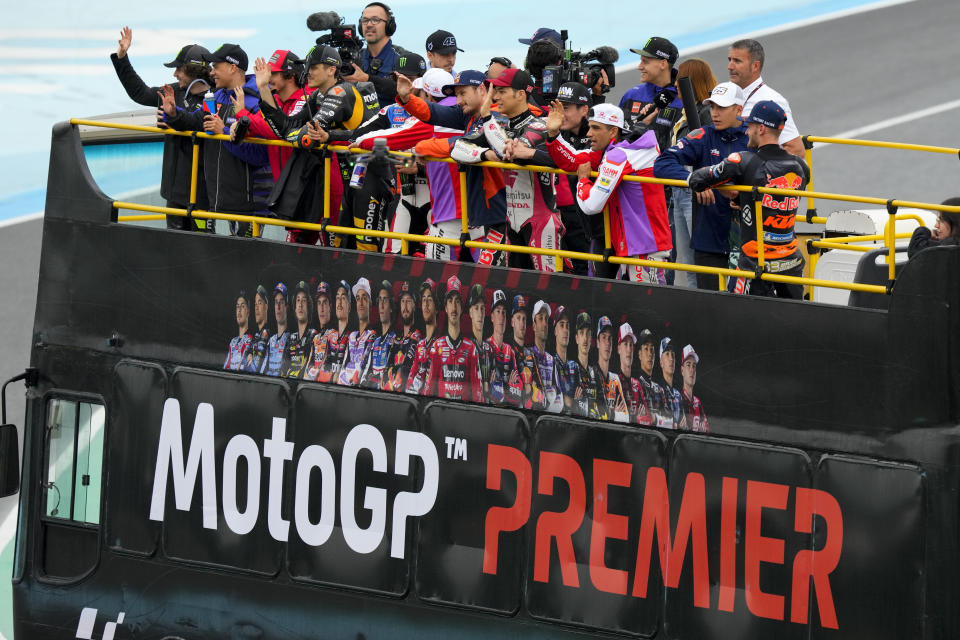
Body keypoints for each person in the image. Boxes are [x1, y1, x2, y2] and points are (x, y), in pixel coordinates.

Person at [688, 100, 810, 298]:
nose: (746, 131)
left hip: (755, 263)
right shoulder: (800, 166)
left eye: (750, 127)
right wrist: (745, 198)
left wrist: (725, 187)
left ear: (761, 128)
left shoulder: (744, 161)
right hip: (791, 261)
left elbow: (697, 180)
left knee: (739, 318)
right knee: (793, 320)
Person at [546, 103, 671, 283]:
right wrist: (553, 134)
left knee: (648, 308)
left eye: (595, 128)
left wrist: (582, 180)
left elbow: (591, 205)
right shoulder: (621, 148)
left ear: (613, 132)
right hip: (635, 246)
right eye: (589, 127)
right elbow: (573, 160)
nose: (588, 133)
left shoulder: (619, 155)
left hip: (644, 248)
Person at [396, 71, 509, 264]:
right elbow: (433, 113)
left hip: (493, 218)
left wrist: (422, 146)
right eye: (456, 95)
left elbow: (461, 144)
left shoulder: (496, 118)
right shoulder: (469, 116)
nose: (458, 100)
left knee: (492, 285)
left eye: (463, 93)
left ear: (481, 90)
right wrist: (407, 99)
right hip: (474, 215)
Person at [457, 68, 564, 272]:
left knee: (551, 292)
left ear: (521, 94)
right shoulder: (501, 127)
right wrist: (484, 155)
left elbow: (507, 151)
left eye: (502, 91)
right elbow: (456, 147)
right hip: (511, 223)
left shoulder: (540, 125)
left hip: (541, 224)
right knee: (518, 298)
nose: (495, 96)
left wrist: (487, 117)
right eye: (494, 91)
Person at [160, 43, 272, 237]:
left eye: (216, 67)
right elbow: (197, 121)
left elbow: (261, 154)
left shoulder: (257, 100)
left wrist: (224, 132)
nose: (211, 73)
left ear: (232, 67)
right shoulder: (217, 96)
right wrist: (174, 113)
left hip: (249, 201)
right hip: (221, 198)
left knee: (245, 260)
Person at [111, 28, 212, 231]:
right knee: (175, 247)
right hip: (173, 192)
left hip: (202, 193)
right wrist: (122, 58)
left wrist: (173, 119)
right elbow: (140, 93)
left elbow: (198, 122)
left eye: (178, 69)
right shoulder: (172, 92)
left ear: (192, 72)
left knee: (202, 248)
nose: (174, 74)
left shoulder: (215, 97)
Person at [654, 82, 750, 289]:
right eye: (712, 106)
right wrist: (696, 181)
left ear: (739, 109)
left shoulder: (753, 137)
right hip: (708, 239)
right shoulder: (703, 136)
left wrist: (741, 196)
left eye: (721, 108)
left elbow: (771, 175)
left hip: (747, 242)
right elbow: (662, 163)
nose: (714, 113)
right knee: (712, 306)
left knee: (744, 307)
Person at [668, 58, 717, 287]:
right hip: (681, 191)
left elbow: (713, 152)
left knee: (699, 264)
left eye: (680, 81)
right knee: (688, 265)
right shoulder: (686, 114)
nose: (676, 85)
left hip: (696, 192)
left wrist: (705, 181)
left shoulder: (707, 113)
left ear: (692, 82)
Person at [234, 50, 308, 187]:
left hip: (304, 184)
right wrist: (239, 127)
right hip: (281, 184)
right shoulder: (274, 99)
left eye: (272, 74)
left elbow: (280, 131)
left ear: (290, 76)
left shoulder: (306, 97)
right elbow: (257, 126)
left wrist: (244, 115)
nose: (267, 78)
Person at [727, 39, 804, 157]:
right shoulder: (724, 95)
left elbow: (795, 149)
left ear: (755, 66)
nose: (730, 66)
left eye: (737, 61)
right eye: (730, 60)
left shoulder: (772, 100)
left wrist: (757, 170)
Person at [552, 82, 597, 276]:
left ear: (584, 109)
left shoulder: (599, 131)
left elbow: (573, 160)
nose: (561, 114)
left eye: (567, 108)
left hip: (595, 217)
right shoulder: (561, 129)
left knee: (590, 270)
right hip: (569, 212)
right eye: (559, 108)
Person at [423, 277, 484, 402]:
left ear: (462, 307)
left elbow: (478, 394)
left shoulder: (471, 348)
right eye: (450, 301)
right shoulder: (437, 347)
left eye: (457, 301)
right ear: (445, 308)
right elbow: (428, 390)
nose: (454, 307)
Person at [620, 37, 683, 153]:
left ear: (663, 64)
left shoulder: (683, 100)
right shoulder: (631, 95)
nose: (639, 66)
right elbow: (616, 137)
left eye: (645, 62)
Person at [342, 2, 410, 105]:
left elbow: (409, 93)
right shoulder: (353, 59)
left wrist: (367, 79)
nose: (369, 24)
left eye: (375, 20)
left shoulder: (403, 58)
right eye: (365, 20)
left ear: (389, 25)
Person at [383, 281, 423, 392]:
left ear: (414, 305)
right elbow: (387, 366)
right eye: (402, 301)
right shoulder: (396, 338)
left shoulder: (417, 335)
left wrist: (393, 370)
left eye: (409, 301)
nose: (405, 306)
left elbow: (406, 366)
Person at [484, 289, 522, 406]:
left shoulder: (509, 350)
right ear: (492, 317)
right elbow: (485, 389)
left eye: (504, 312)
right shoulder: (485, 347)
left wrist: (499, 388)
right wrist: (508, 387)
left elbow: (518, 390)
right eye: (498, 311)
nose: (501, 317)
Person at [338, 278, 377, 386]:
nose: (360, 303)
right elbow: (344, 364)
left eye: (364, 298)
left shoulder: (372, 335)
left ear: (370, 303)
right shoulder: (352, 336)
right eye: (358, 298)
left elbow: (364, 366)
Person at [360, 280, 397, 390]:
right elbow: (365, 370)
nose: (381, 305)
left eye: (385, 300)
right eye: (379, 300)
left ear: (391, 307)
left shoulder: (395, 339)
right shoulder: (375, 340)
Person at [405, 278, 441, 395]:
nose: (425, 304)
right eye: (423, 299)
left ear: (437, 308)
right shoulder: (420, 344)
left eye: (429, 299)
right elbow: (411, 376)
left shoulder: (441, 344)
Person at [510, 295, 545, 409]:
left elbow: (541, 392)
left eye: (524, 319)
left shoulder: (531, 354)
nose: (522, 323)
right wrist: (529, 388)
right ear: (512, 322)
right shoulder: (507, 351)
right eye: (518, 318)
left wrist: (531, 389)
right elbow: (507, 391)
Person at [568, 312, 604, 420]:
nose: (585, 338)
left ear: (591, 339)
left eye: (588, 333)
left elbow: (604, 410)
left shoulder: (596, 374)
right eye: (581, 333)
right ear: (576, 338)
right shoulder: (569, 369)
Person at [615, 322, 652, 425]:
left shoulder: (637, 384)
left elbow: (648, 420)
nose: (629, 350)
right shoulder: (613, 381)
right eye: (625, 344)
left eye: (631, 345)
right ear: (618, 349)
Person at [530, 300, 563, 413]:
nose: (544, 323)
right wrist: (551, 392)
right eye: (540, 318)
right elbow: (530, 400)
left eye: (546, 319)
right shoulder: (528, 356)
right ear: (534, 326)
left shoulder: (551, 360)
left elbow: (560, 404)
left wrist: (546, 397)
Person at [594, 316, 629, 422]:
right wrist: (614, 413)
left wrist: (608, 414)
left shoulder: (615, 379)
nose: (607, 342)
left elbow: (626, 418)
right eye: (604, 337)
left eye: (610, 338)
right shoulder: (591, 374)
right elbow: (593, 415)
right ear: (597, 342)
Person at [282, 281, 317, 378]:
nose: (300, 305)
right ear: (294, 307)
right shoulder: (291, 338)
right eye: (298, 300)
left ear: (309, 306)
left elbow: (307, 370)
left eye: (304, 300)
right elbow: (283, 369)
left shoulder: (314, 336)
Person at [303, 281, 336, 381]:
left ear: (330, 306)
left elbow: (332, 372)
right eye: (319, 303)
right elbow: (307, 369)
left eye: (324, 303)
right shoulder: (315, 337)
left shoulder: (335, 335)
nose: (321, 309)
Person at [635, 329, 666, 427]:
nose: (650, 354)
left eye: (652, 349)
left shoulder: (659, 389)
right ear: (639, 354)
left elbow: (671, 421)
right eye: (646, 349)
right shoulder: (634, 385)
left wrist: (655, 419)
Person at [550, 305, 577, 414]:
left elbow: (582, 402)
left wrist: (571, 402)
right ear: (555, 331)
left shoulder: (574, 366)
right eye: (561, 325)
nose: (565, 330)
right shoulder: (550, 363)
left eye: (567, 326)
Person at [657, 337, 686, 429]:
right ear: (661, 362)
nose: (671, 359)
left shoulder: (678, 395)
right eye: (667, 354)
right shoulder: (656, 390)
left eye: (673, 355)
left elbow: (684, 424)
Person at [262, 282, 290, 377]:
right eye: (276, 302)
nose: (278, 307)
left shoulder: (291, 339)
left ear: (287, 307)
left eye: (281, 302)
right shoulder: (271, 340)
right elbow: (262, 370)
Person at [679, 345, 709, 433]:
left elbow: (708, 432)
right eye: (688, 365)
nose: (692, 370)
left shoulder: (697, 402)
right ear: (682, 370)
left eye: (694, 366)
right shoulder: (677, 400)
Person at [244, 285, 271, 373]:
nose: (256, 307)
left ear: (266, 306)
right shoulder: (255, 334)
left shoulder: (268, 333)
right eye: (255, 304)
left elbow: (253, 368)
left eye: (259, 303)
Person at [224, 290, 252, 370]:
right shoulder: (233, 342)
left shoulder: (251, 339)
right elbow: (225, 368)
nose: (239, 310)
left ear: (248, 312)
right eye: (237, 306)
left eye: (242, 306)